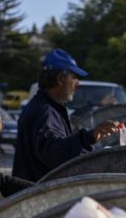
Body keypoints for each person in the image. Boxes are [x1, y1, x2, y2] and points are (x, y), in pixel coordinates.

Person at [12, 48, 119, 181]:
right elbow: (53, 152)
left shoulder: (46, 107)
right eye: (74, 77)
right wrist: (89, 137)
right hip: (38, 195)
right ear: (60, 79)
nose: (77, 83)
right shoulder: (44, 111)